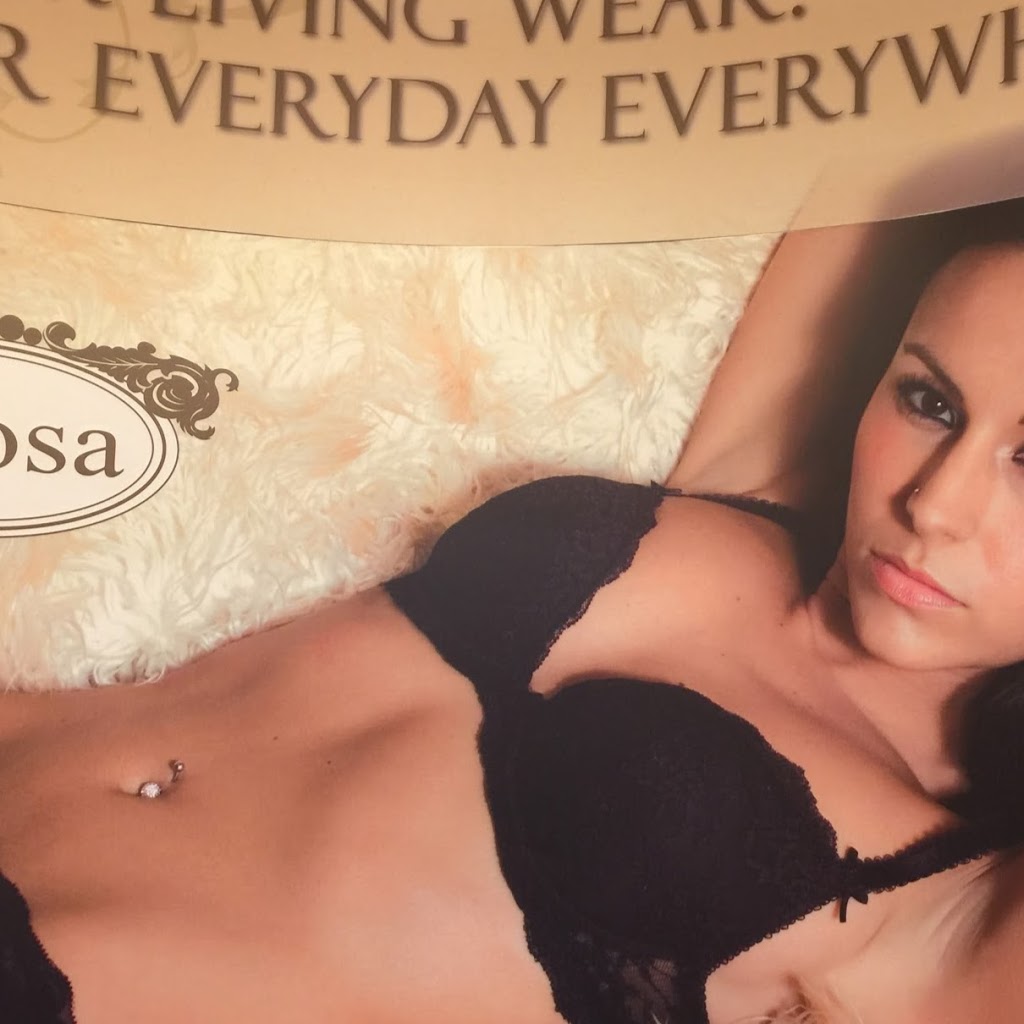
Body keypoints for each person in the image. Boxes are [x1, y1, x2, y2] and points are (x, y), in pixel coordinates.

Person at [2, 200, 1024, 1024]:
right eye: (930, 402)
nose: (934, 504)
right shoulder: (764, 493)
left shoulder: (961, 910)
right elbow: (886, 84)